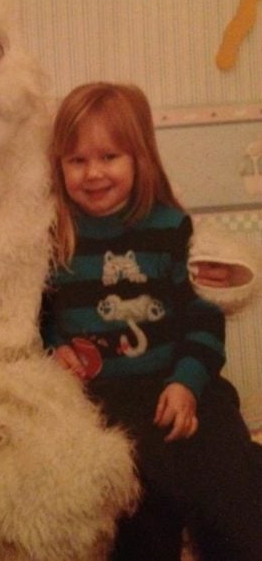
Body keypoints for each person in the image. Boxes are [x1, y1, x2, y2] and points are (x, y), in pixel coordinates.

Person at [41, 82, 262, 561]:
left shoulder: (170, 228)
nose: (93, 173)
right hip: (106, 405)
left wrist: (187, 382)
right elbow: (38, 317)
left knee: (231, 492)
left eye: (109, 157)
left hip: (182, 383)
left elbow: (204, 315)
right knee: (136, 509)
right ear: (59, 165)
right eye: (77, 160)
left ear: (139, 157)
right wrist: (53, 348)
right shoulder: (55, 236)